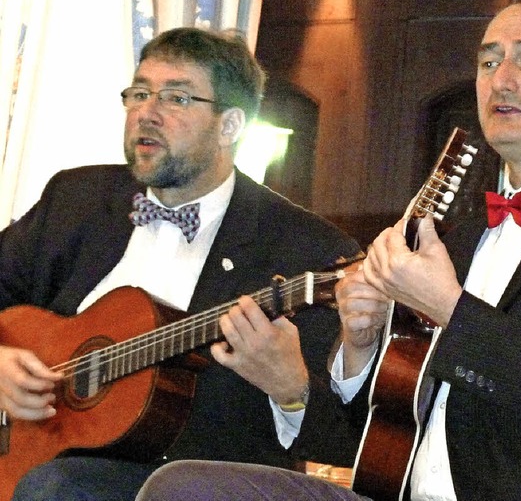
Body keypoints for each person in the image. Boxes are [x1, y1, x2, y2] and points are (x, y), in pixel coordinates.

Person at [134, 0, 521, 500]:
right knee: (185, 487)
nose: (500, 79)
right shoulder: (458, 236)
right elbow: (367, 433)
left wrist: (448, 307)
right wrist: (359, 348)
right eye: (489, 60)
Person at [0, 27, 363, 501]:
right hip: (33, 457)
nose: (146, 113)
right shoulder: (77, 198)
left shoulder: (306, 251)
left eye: (175, 98)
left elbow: (345, 440)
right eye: (140, 93)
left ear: (230, 125)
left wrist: (291, 389)